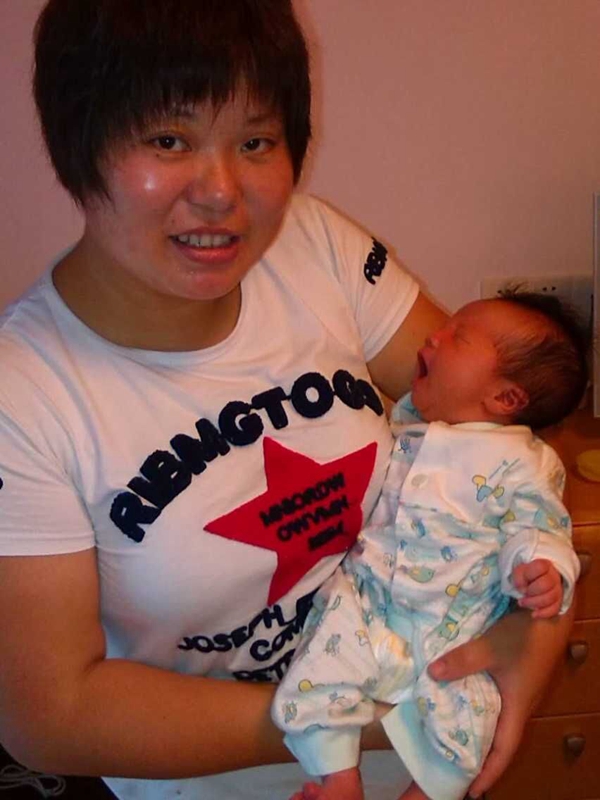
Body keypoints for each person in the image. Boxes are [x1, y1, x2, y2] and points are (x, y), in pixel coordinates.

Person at [0, 3, 576, 799]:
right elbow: (49, 713)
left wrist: (538, 632)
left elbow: (498, 425)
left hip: (418, 763)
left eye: (255, 142)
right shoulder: (24, 393)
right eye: (168, 140)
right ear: (78, 146)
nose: (221, 193)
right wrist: (346, 718)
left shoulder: (313, 245)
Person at [273, 292, 588, 800]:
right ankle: (337, 776)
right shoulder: (407, 424)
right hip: (367, 605)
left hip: (450, 627)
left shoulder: (524, 462)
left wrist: (542, 567)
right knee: (317, 669)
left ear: (506, 398)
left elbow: (541, 527)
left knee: (471, 723)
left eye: (457, 336)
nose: (434, 336)